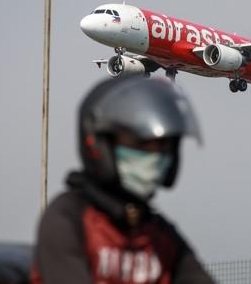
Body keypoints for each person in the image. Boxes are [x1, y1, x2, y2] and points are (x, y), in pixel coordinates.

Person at [32, 76, 215, 284]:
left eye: (163, 147)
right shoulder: (68, 219)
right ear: (99, 144)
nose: (155, 158)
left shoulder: (159, 234)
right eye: (141, 144)